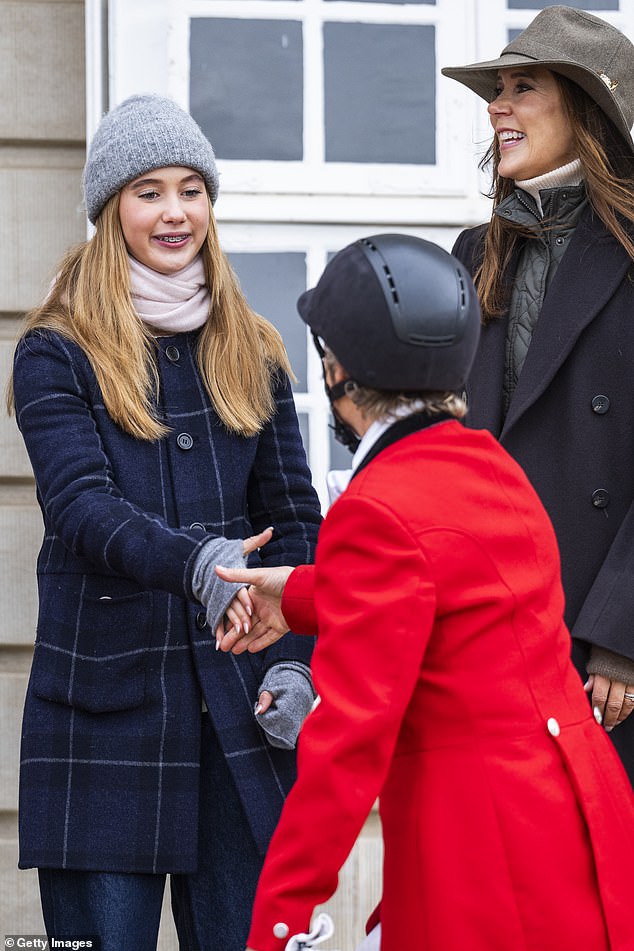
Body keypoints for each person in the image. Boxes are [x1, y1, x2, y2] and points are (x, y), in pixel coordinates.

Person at [214, 233, 634, 951]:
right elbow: (447, 587)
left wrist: (276, 923)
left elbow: (344, 748)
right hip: (582, 834)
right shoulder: (493, 467)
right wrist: (303, 594)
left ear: (340, 371)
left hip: (489, 865)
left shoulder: (375, 507)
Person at [7, 94, 322, 951]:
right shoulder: (55, 351)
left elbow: (295, 524)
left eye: (192, 188)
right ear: (112, 209)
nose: (175, 211)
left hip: (240, 723)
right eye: (148, 191)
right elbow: (80, 507)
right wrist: (200, 562)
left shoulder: (251, 346)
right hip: (102, 717)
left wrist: (295, 666)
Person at [441, 4, 634, 782]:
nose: (497, 106)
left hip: (601, 644)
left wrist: (623, 632)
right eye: (497, 89)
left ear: (586, 110)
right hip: (488, 629)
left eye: (523, 87)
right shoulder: (473, 252)